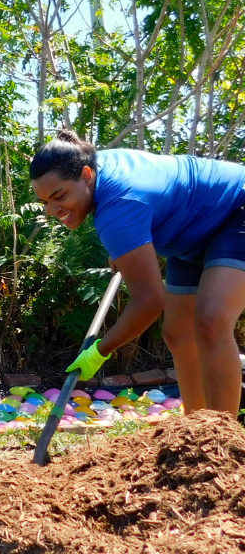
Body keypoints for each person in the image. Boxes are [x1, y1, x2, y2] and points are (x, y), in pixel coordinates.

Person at [31, 129, 245, 418]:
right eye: (45, 202)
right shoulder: (96, 169)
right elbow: (148, 206)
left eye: (59, 196)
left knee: (211, 321)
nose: (52, 210)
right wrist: (130, 249)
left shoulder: (118, 207)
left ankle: (223, 442)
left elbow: (150, 302)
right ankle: (196, 431)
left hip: (235, 209)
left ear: (85, 175)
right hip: (193, 231)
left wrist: (100, 351)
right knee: (178, 333)